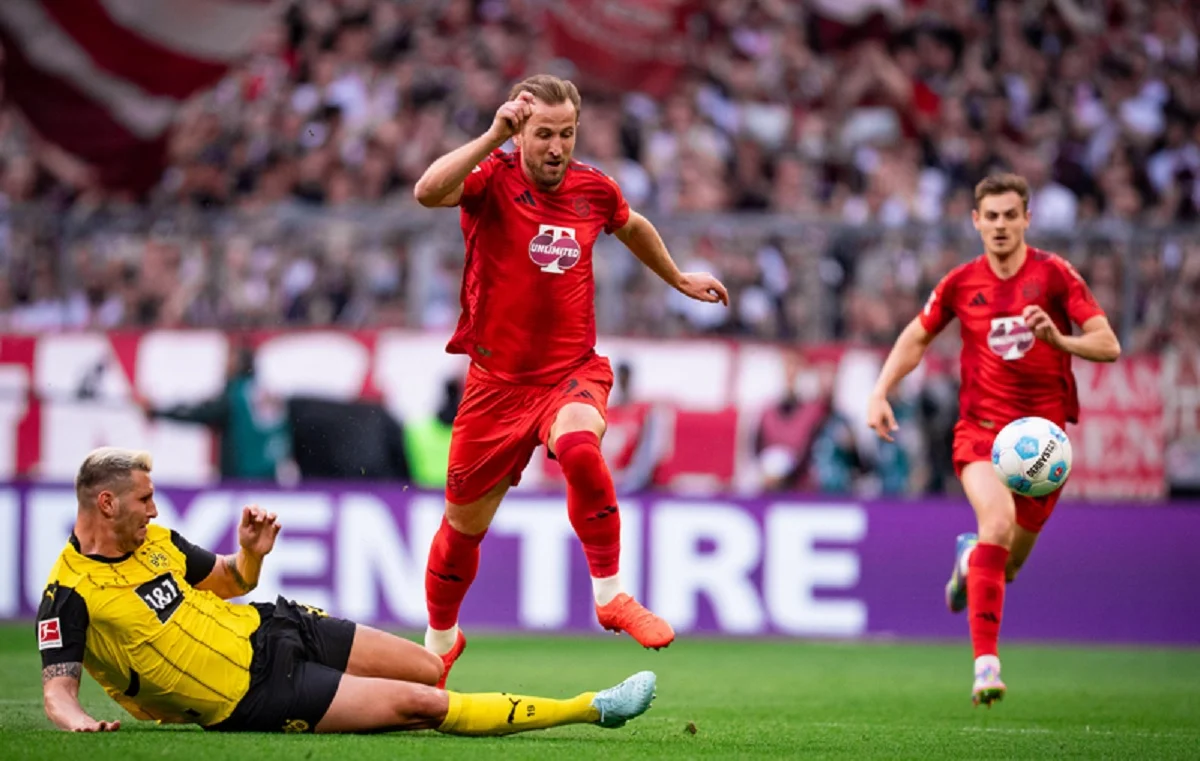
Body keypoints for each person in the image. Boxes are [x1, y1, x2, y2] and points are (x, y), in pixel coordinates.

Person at [412, 74, 729, 685]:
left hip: (569, 372)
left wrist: (677, 278)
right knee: (460, 532)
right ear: (520, 130)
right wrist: (491, 136)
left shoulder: (595, 189)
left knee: (581, 447)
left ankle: (610, 596)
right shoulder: (490, 178)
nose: (557, 147)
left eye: (567, 134)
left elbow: (630, 223)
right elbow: (428, 192)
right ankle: (439, 643)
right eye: (544, 134)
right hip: (495, 386)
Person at [36, 447, 657, 735]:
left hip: (271, 627)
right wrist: (80, 723)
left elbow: (231, 583)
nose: (154, 507)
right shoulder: (69, 593)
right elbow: (57, 691)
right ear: (107, 501)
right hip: (253, 694)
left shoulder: (159, 542)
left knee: (426, 668)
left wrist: (250, 553)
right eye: (144, 499)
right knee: (426, 706)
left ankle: (374, 710)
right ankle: (591, 708)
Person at [865, 174, 1121, 706]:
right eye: (992, 216)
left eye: (1011, 215)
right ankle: (986, 667)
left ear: (1027, 219)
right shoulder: (961, 283)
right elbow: (916, 335)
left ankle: (969, 559)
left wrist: (1058, 337)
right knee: (998, 523)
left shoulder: (1054, 276)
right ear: (976, 221)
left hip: (1046, 445)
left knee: (1006, 564)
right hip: (982, 434)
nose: (1001, 226)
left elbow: (1108, 344)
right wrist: (881, 391)